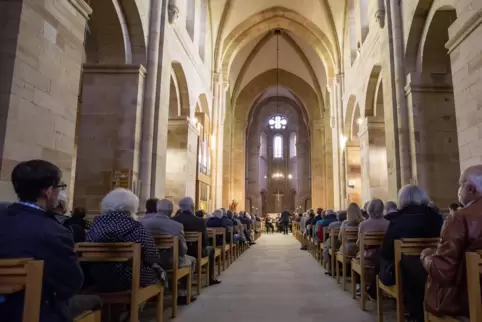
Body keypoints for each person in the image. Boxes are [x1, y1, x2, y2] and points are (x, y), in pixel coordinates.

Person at [0, 159, 101, 322]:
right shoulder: (54, 231)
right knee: (94, 301)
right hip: (34, 313)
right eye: (60, 188)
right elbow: (72, 283)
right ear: (48, 192)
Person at [421, 165, 482, 319]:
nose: (459, 190)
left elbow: (444, 271)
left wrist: (425, 255)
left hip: (467, 301)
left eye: (460, 185)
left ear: (470, 188)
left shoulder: (460, 217)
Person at [377, 184, 443, 322]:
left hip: (405, 275)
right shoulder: (437, 218)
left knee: (385, 259)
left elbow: (387, 252)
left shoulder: (396, 220)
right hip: (434, 270)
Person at [86, 189, 166, 293]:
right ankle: (140, 303)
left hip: (97, 277)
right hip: (129, 279)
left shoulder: (94, 227)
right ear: (132, 206)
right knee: (158, 273)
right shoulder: (137, 228)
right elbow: (152, 256)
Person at [140, 198, 196, 305]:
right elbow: (183, 249)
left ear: (157, 209)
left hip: (149, 263)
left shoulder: (143, 223)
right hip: (169, 261)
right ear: (171, 210)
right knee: (191, 260)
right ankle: (182, 294)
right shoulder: (176, 225)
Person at [172, 197, 221, 285]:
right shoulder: (199, 221)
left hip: (177, 252)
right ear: (192, 207)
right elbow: (205, 241)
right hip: (195, 251)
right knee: (211, 249)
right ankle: (211, 278)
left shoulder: (173, 220)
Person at [323, 210, 347, 275]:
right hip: (348, 246)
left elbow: (329, 234)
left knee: (328, 244)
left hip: (336, 245)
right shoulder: (352, 225)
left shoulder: (332, 225)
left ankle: (331, 269)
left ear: (338, 217)